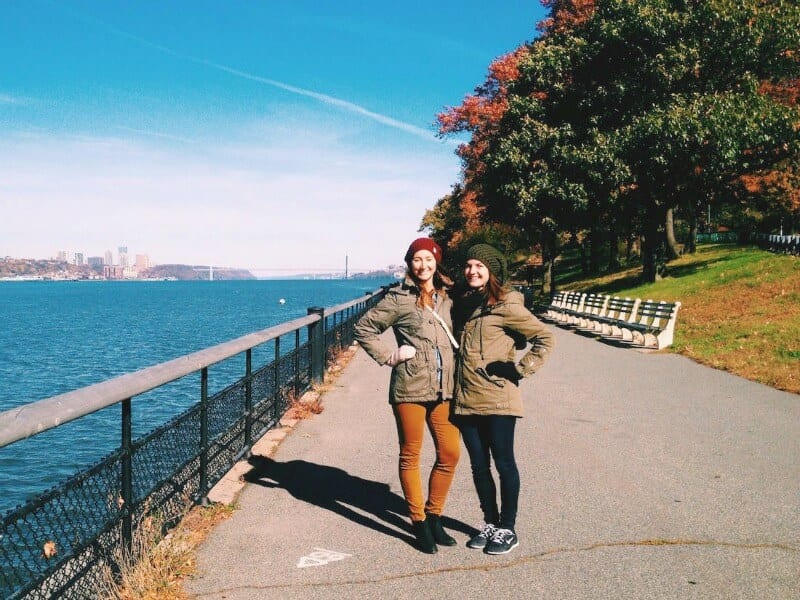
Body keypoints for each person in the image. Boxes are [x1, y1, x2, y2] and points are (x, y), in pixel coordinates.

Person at [354, 237, 461, 554]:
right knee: (411, 454)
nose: (423, 265)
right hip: (410, 388)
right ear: (410, 263)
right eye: (417, 259)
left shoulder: (448, 297)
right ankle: (418, 522)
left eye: (429, 259)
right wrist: (391, 356)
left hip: (445, 388)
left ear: (436, 261)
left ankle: (434, 514)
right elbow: (364, 328)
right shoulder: (398, 299)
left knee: (450, 452)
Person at [452, 243, 555, 555]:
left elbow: (545, 337)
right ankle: (491, 523)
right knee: (479, 466)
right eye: (469, 265)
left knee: (504, 463)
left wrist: (520, 370)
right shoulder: (466, 304)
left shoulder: (507, 305)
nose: (472, 271)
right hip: (466, 398)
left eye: (480, 266)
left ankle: (508, 528)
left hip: (497, 398)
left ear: (492, 271)